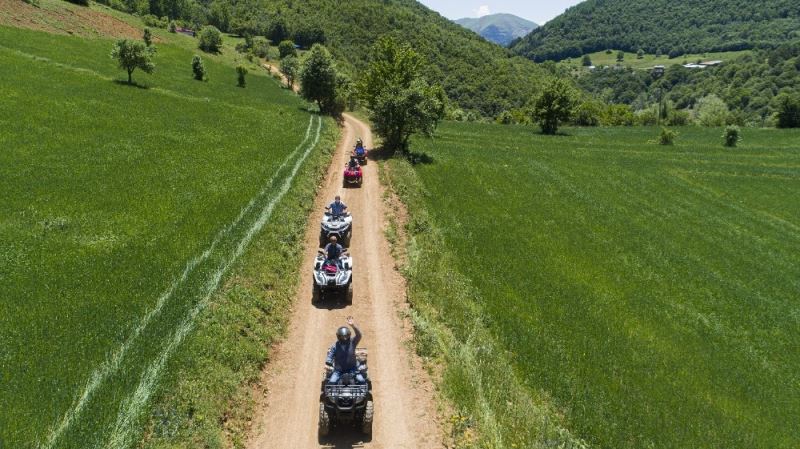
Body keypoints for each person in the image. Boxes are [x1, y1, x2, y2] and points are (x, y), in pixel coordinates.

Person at [325, 316, 364, 385]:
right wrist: (328, 361)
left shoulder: (353, 342)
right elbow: (330, 355)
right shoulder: (335, 346)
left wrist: (353, 325)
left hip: (353, 369)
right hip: (338, 370)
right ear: (339, 336)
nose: (345, 338)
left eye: (346, 336)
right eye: (342, 336)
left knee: (362, 381)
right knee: (331, 383)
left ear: (349, 335)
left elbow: (359, 335)